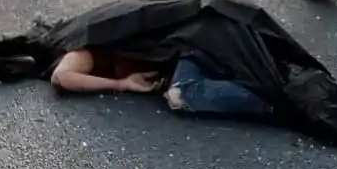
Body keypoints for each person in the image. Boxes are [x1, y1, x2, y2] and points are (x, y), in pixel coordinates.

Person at [49, 48, 275, 119]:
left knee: (183, 94)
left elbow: (62, 77)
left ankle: (271, 103)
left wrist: (121, 84)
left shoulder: (87, 49)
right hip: (187, 55)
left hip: (190, 50)